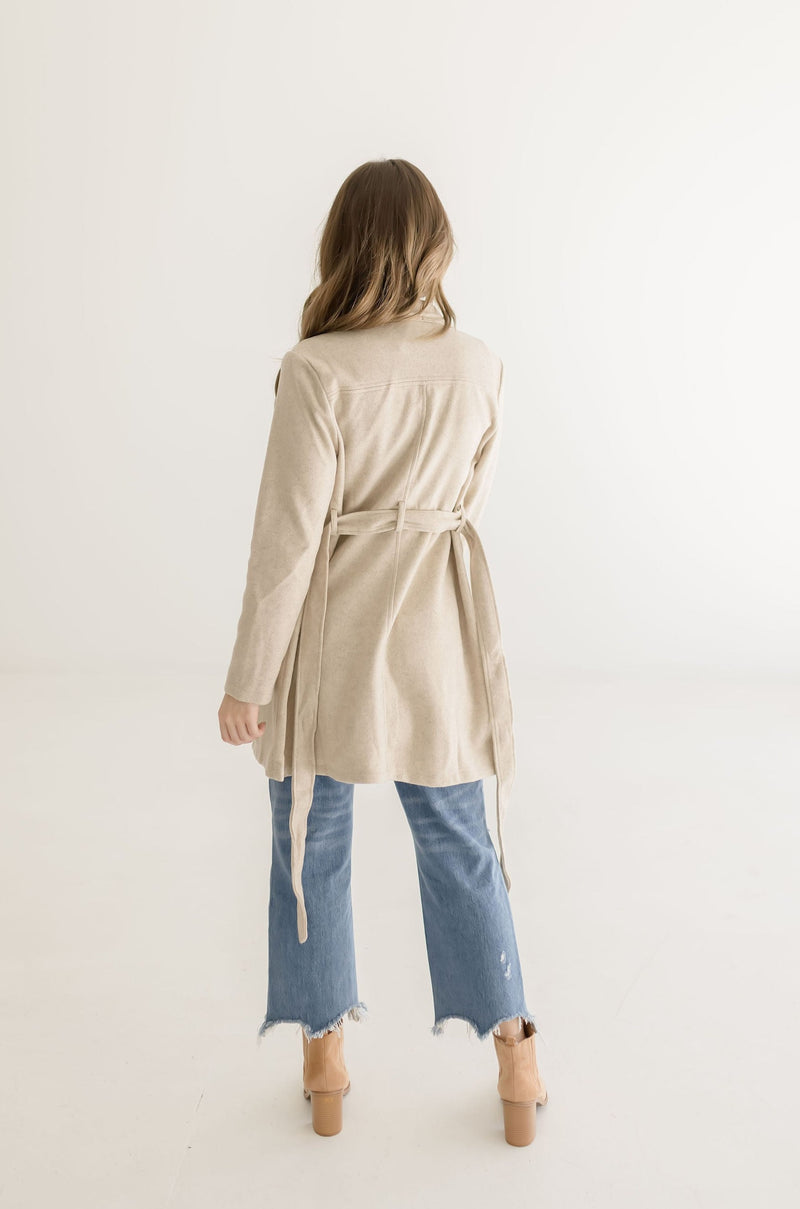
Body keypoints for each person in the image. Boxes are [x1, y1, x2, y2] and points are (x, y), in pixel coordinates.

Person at [217, 158, 547, 1144]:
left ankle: (324, 1057)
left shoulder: (316, 369)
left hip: (331, 642)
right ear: (432, 247)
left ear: (344, 246)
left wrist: (247, 680)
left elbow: (287, 542)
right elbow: (467, 505)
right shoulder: (479, 365)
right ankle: (517, 1056)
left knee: (309, 841)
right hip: (439, 634)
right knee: (460, 843)